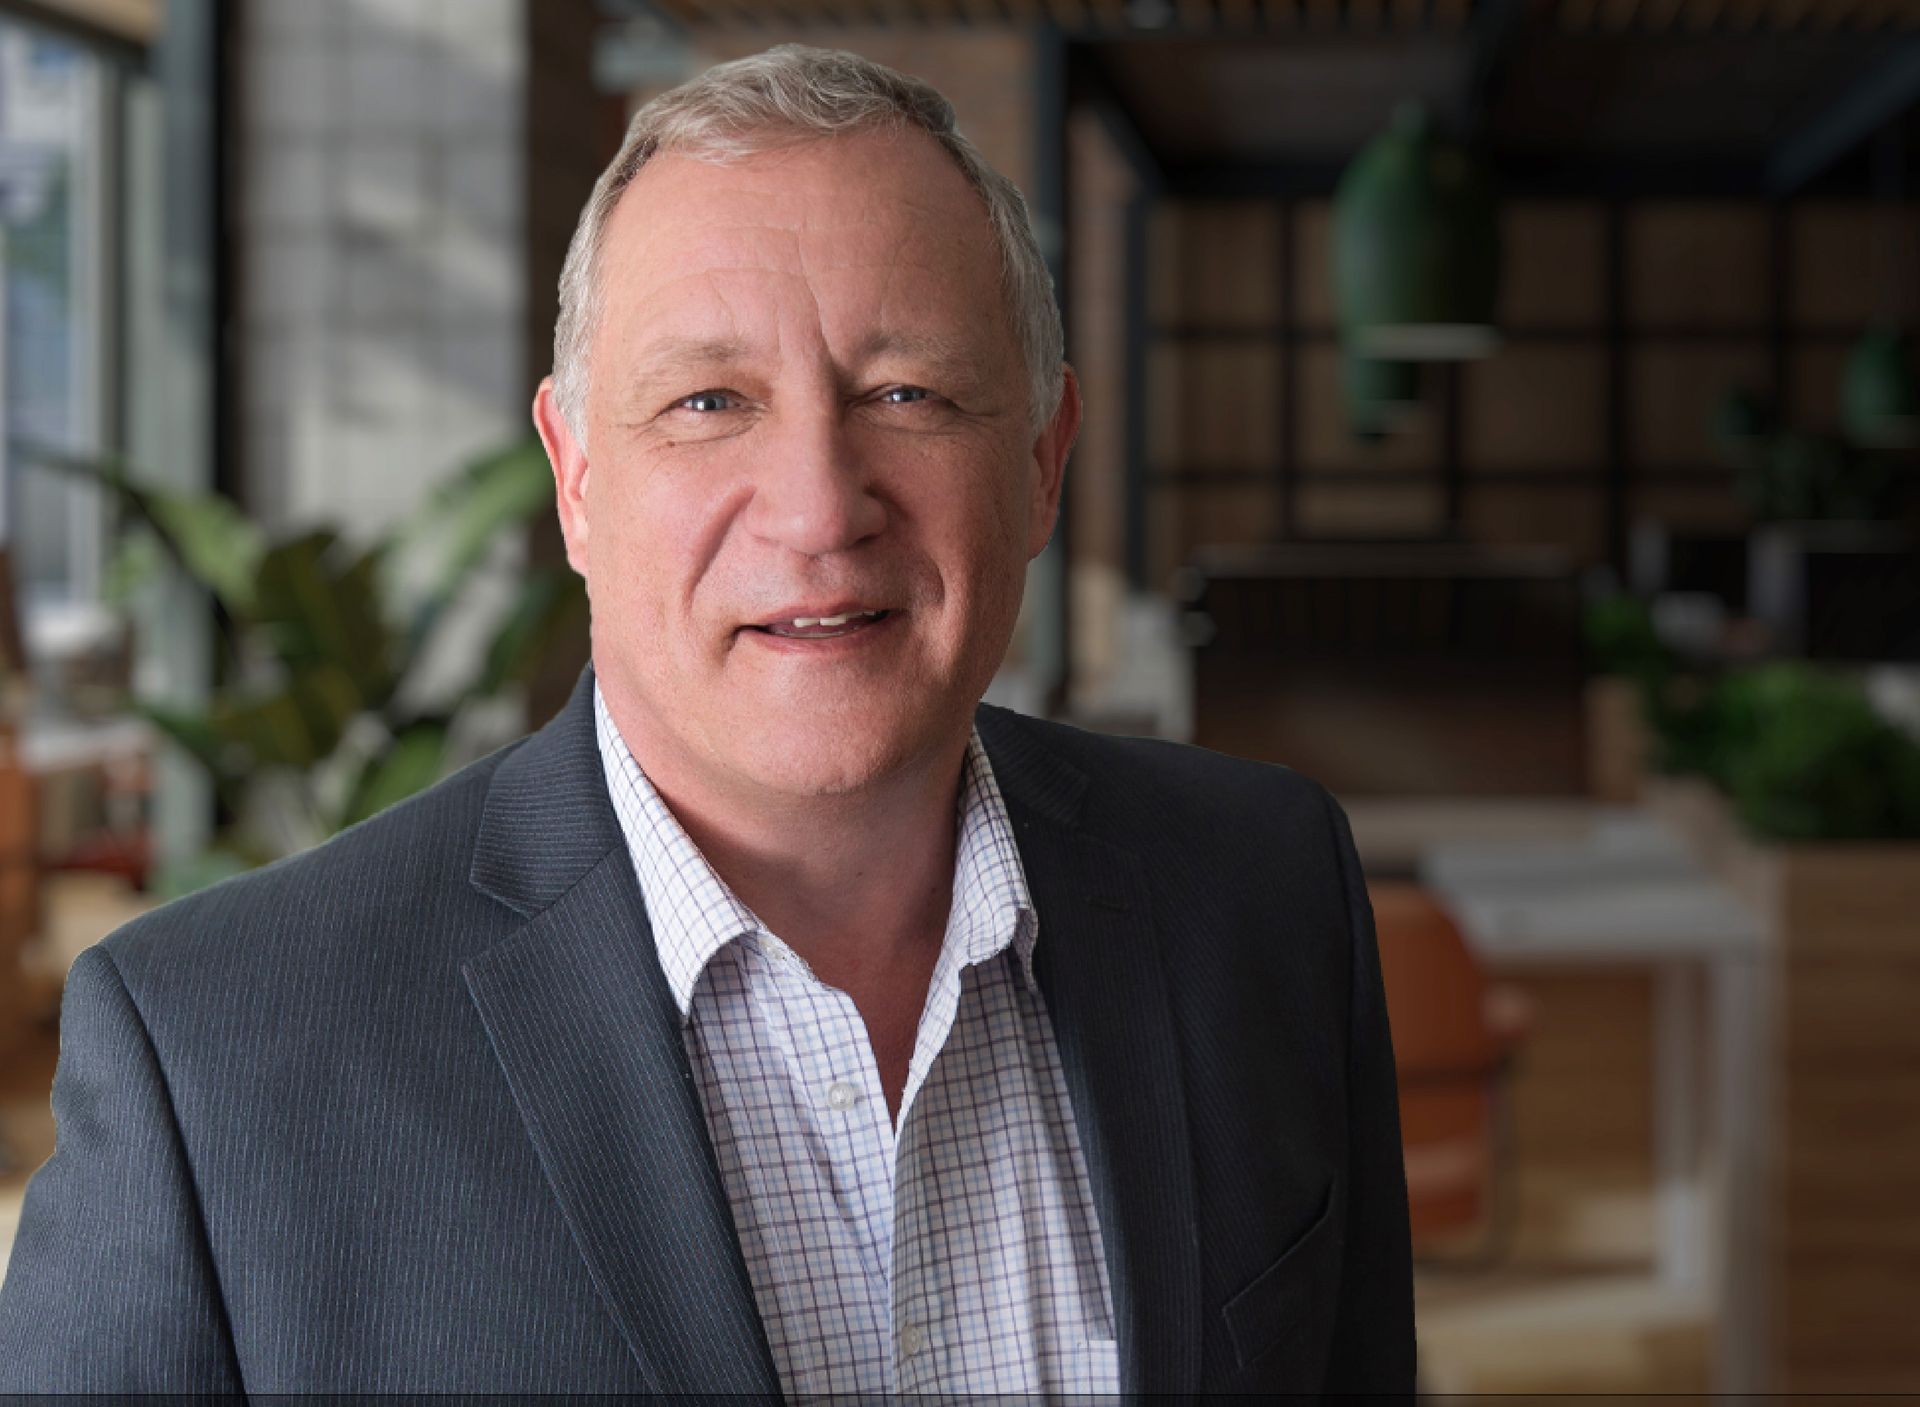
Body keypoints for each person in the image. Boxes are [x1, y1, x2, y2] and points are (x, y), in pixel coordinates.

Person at [0, 45, 1414, 1395]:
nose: (816, 507)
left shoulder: (1264, 889)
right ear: (576, 478)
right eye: (709, 400)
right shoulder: (221, 1058)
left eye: (907, 393)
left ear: (1043, 460)